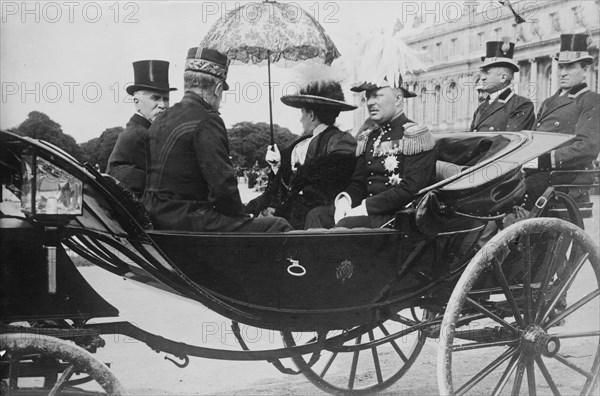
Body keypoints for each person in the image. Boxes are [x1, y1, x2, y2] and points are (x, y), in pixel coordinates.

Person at [142, 47, 291, 233]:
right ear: (218, 88)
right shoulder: (207, 119)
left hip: (155, 218)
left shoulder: (161, 119)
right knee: (277, 225)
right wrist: (243, 216)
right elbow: (222, 187)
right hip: (188, 222)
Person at [305, 75, 437, 229]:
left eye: (376, 96)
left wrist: (365, 207)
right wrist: (345, 201)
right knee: (317, 215)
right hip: (370, 213)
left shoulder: (415, 135)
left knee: (346, 224)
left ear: (398, 99)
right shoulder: (368, 138)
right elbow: (359, 183)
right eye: (367, 97)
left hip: (399, 217)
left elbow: (411, 189)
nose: (369, 102)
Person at [245, 74, 357, 229]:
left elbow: (324, 185)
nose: (300, 119)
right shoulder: (301, 144)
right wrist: (278, 168)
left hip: (317, 219)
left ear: (311, 115)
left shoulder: (339, 141)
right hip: (293, 214)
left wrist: (281, 208)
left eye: (302, 113)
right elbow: (283, 189)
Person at [524, 33, 600, 209]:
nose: (563, 73)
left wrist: (541, 161)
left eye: (570, 67)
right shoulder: (549, 102)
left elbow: (587, 147)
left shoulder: (591, 100)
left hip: (564, 177)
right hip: (539, 173)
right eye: (561, 67)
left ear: (585, 69)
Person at [106, 60, 175, 196]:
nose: (162, 105)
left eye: (165, 99)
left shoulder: (139, 131)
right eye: (155, 98)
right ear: (137, 103)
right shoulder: (141, 135)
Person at [469, 40, 535, 133]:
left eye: (487, 72)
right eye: (482, 73)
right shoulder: (481, 108)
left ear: (503, 77)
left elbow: (511, 142)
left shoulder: (521, 105)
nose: (482, 78)